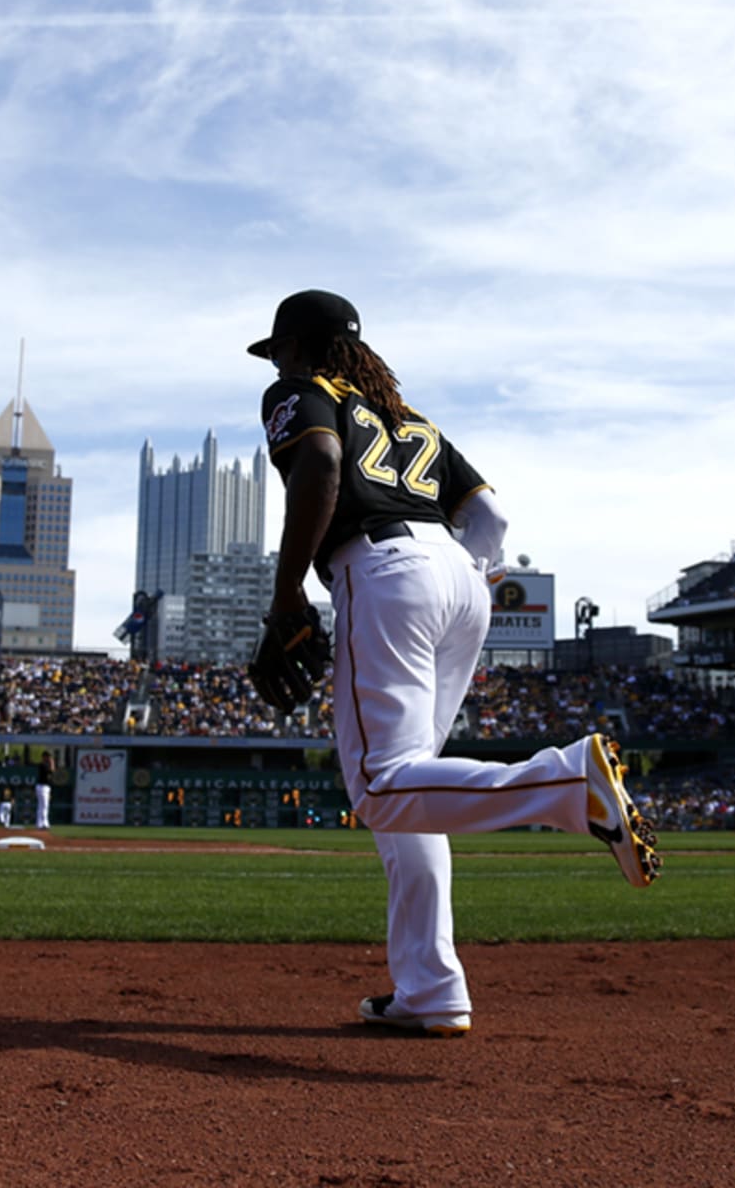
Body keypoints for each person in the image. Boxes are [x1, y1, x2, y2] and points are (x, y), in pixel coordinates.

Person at [248, 289, 661, 1037]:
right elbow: (493, 517)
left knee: (379, 788)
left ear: (300, 348)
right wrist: (463, 567)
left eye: (276, 348)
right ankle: (431, 990)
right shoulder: (414, 422)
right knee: (411, 794)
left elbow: (319, 460)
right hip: (460, 579)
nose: (273, 361)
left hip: (381, 570)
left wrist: (285, 602)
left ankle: (569, 785)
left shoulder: (300, 391)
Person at [34, 750, 55, 830]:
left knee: (41, 806)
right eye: (48, 756)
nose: (49, 758)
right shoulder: (43, 765)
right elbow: (51, 771)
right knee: (44, 805)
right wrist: (52, 763)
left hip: (44, 787)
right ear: (44, 757)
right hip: (42, 786)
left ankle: (39, 824)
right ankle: (44, 823)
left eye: (49, 756)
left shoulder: (45, 764)